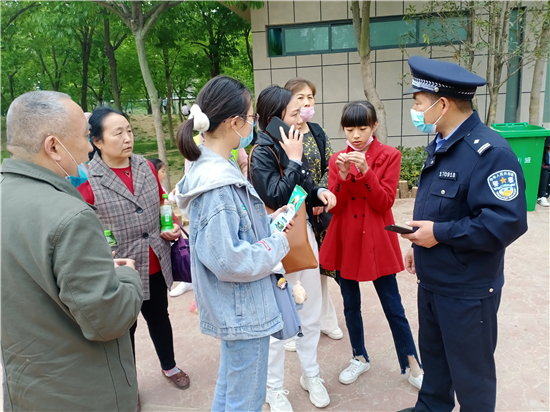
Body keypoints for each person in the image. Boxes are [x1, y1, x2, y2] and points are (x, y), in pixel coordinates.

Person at [398, 56, 528, 412]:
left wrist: (439, 233)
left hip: (468, 290)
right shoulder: (443, 143)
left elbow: (505, 223)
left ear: (442, 104)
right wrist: (420, 244)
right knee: (435, 362)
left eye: (418, 102)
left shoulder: (490, 152)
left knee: (472, 376)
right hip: (434, 280)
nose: (415, 110)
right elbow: (439, 209)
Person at [1, 91, 143, 411]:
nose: (89, 147)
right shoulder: (70, 216)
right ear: (53, 146)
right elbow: (107, 319)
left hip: (26, 389)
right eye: (83, 136)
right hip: (83, 392)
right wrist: (126, 276)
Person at [174, 75, 293, 412]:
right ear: (234, 122)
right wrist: (278, 243)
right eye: (252, 117)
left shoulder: (212, 169)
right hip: (244, 308)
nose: (254, 124)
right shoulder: (218, 184)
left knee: (230, 390)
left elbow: (232, 232)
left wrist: (267, 222)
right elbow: (229, 259)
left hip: (235, 306)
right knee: (245, 400)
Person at [78, 107, 191, 396]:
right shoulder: (87, 179)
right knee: (124, 331)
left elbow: (162, 201)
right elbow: (83, 227)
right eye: (118, 133)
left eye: (129, 130)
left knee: (159, 317)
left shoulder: (145, 166)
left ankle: (169, 366)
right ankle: (128, 385)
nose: (128, 138)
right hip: (118, 269)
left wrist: (170, 225)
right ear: (97, 141)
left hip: (154, 260)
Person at [319, 101, 423, 389]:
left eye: (362, 128)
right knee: (350, 304)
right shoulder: (337, 159)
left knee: (393, 304)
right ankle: (359, 357)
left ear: (374, 126)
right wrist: (341, 177)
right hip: (345, 237)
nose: (355, 135)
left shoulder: (390, 155)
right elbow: (335, 206)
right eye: (349, 129)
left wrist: (365, 172)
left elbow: (384, 202)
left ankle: (412, 363)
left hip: (376, 237)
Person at [250, 85, 337, 411]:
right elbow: (275, 195)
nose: (300, 118)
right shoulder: (262, 151)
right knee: (277, 318)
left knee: (310, 311)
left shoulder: (291, 143)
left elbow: (303, 186)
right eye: (293, 113)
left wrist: (319, 193)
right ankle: (274, 387)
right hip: (275, 243)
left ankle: (310, 374)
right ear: (274, 119)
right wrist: (296, 160)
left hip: (302, 236)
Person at [283, 78, 343, 353]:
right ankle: (294, 328)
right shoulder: (283, 134)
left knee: (320, 270)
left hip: (320, 211)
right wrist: (308, 202)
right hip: (295, 215)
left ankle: (325, 320)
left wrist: (321, 195)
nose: (307, 102)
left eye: (310, 97)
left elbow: (330, 165)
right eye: (300, 97)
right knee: (296, 272)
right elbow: (286, 176)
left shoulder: (317, 131)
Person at [149, 158, 195, 297]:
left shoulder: (160, 189)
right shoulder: (150, 189)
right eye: (162, 171)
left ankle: (189, 277)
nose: (165, 174)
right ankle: (187, 278)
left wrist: (174, 223)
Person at [537, 136, 550, 207]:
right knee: (545, 172)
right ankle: (542, 196)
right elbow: (542, 164)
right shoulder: (543, 152)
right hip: (544, 170)